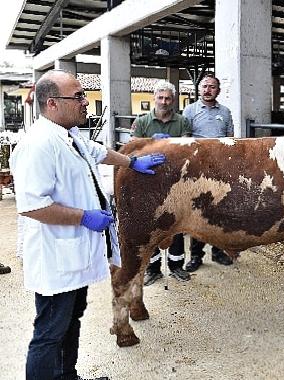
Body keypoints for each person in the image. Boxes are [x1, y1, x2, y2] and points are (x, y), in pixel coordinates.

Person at [9, 69, 165, 380]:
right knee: (49, 331)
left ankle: (68, 376)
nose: (86, 103)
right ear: (52, 103)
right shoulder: (38, 145)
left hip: (73, 256)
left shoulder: (68, 135)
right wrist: (84, 217)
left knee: (72, 319)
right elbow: (33, 206)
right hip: (55, 258)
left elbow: (98, 152)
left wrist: (133, 161)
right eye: (78, 97)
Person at [131, 80, 193, 286]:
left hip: (175, 180)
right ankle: (153, 268)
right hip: (149, 179)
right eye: (160, 97)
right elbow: (132, 150)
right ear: (154, 98)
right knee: (153, 224)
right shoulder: (141, 122)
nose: (164, 101)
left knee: (177, 222)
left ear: (173, 100)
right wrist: (150, 142)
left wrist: (171, 145)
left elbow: (187, 149)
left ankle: (177, 266)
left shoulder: (182, 122)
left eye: (168, 98)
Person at [182, 73, 234, 271]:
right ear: (200, 89)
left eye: (212, 87)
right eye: (205, 86)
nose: (208, 90)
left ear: (218, 91)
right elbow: (185, 140)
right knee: (198, 212)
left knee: (220, 211)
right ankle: (196, 255)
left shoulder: (226, 112)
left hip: (221, 170)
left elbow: (231, 140)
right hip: (199, 170)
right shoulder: (190, 111)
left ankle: (218, 251)